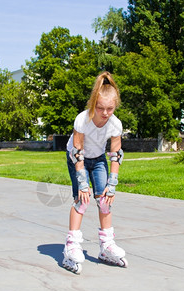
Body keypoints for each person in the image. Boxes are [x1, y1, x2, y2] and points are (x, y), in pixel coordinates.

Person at [62, 71, 128, 274]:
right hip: (77, 158)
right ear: (93, 104)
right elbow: (78, 151)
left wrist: (112, 184)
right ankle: (71, 245)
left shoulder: (115, 124)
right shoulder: (82, 120)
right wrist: (82, 183)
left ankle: (106, 245)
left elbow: (115, 155)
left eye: (110, 108)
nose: (105, 113)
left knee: (104, 200)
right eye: (100, 108)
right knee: (82, 200)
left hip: (98, 159)